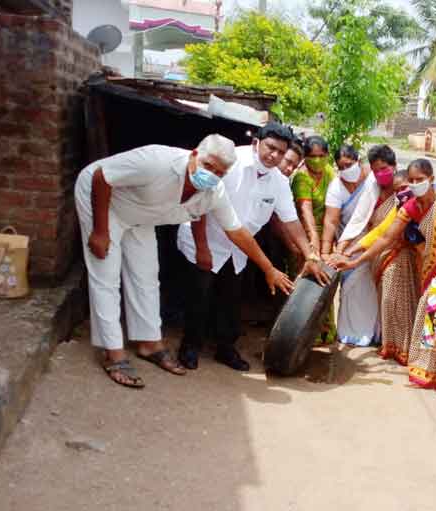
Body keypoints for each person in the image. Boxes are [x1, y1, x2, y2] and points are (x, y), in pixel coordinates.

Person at [74, 135, 288, 388]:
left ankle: (149, 343)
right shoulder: (157, 161)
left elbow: (237, 231)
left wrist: (268, 269)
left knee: (146, 276)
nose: (212, 174)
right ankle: (113, 353)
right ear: (195, 154)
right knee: (106, 275)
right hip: (103, 200)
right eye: (209, 165)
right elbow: (102, 176)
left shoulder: (214, 191)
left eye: (220, 172)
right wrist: (100, 231)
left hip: (140, 213)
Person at [336, 159, 436, 401]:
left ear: (431, 178)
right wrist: (356, 261)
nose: (415, 184)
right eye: (411, 180)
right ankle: (435, 375)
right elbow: (385, 238)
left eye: (420, 179)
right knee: (431, 313)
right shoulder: (410, 207)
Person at [176, 123, 328, 371]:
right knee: (199, 297)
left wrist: (310, 253)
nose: (275, 155)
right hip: (204, 239)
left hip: (239, 250)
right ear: (257, 142)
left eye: (281, 151)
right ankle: (190, 346)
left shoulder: (278, 181)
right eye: (270, 148)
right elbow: (201, 205)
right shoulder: (231, 162)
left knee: (230, 300)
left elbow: (291, 220)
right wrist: (202, 247)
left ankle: (226, 349)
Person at [344, 166, 419, 364]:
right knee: (388, 303)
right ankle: (391, 345)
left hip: (407, 259)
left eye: (404, 187)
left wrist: (355, 259)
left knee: (400, 303)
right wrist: (351, 251)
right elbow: (381, 234)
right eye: (396, 190)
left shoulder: (425, 203)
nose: (401, 193)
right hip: (389, 256)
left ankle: (405, 348)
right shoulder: (400, 208)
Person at [320, 145, 378, 346]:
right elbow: (331, 221)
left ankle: (375, 332)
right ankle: (353, 333)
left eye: (349, 164)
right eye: (341, 166)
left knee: (374, 290)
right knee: (352, 291)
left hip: (375, 241)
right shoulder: (336, 187)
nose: (346, 169)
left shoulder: (373, 178)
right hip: (347, 246)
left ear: (358, 161)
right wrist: (326, 252)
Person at [291, 135, 337, 343]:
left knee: (325, 281)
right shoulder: (301, 177)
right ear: (305, 157)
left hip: (326, 233)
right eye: (312, 156)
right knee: (304, 285)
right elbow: (305, 210)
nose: (317, 160)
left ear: (327, 155)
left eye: (321, 156)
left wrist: (327, 242)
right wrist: (313, 244)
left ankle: (327, 329)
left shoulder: (329, 172)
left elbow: (334, 206)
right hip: (303, 235)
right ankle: (298, 332)